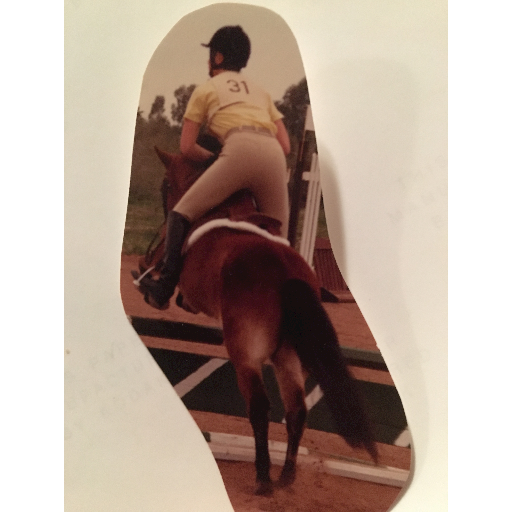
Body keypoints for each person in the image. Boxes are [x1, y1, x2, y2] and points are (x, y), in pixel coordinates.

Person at [137, 25, 291, 310]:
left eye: (210, 55)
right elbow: (285, 145)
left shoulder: (206, 89)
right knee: (281, 239)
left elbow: (187, 148)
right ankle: (293, 296)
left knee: (180, 213)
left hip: (238, 149)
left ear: (218, 57)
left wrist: (214, 159)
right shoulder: (261, 92)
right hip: (273, 156)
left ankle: (164, 288)